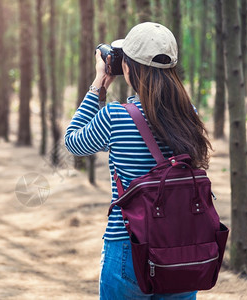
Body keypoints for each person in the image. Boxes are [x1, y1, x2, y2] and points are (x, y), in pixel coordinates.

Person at [64, 22, 212, 299]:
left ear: (129, 68)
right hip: (183, 246)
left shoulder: (116, 116)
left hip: (129, 246)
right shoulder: (188, 113)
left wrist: (98, 85)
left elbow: (73, 142)